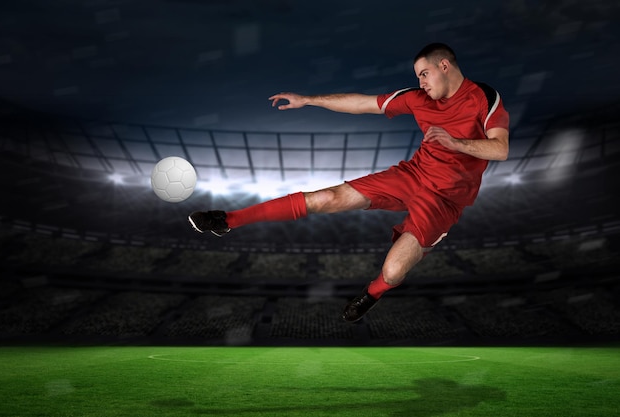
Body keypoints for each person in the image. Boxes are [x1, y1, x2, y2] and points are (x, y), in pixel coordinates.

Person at [188, 43, 510, 323]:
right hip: (411, 175)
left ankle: (370, 294)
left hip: (444, 199)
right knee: (326, 198)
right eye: (417, 77)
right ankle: (227, 220)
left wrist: (456, 144)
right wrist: (309, 100)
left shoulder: (484, 98)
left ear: (444, 65)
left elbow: (500, 148)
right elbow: (362, 103)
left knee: (394, 272)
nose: (420, 82)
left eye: (424, 74)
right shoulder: (416, 98)